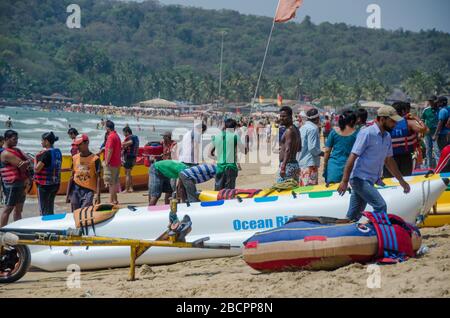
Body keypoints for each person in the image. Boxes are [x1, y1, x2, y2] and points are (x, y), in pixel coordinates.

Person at [337, 106, 411, 222]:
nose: (395, 124)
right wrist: (344, 181)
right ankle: (377, 233)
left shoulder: (387, 137)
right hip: (359, 179)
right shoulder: (367, 133)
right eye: (392, 121)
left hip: (369, 180)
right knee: (380, 206)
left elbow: (389, 161)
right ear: (382, 119)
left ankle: (343, 233)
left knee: (353, 216)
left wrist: (401, 181)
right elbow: (353, 156)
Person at [383, 102, 427, 178]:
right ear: (403, 111)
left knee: (389, 179)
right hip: (405, 157)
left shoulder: (385, 123)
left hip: (388, 157)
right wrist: (417, 118)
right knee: (405, 179)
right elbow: (425, 130)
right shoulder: (409, 123)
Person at [0, 130, 33, 227]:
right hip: (12, 184)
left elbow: (30, 161)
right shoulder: (5, 153)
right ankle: (1, 232)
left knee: (19, 210)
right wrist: (27, 162)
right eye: (14, 139)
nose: (16, 141)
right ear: (6, 139)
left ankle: (18, 229)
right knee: (8, 209)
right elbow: (23, 165)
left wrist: (27, 162)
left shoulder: (17, 150)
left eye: (17, 139)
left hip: (21, 183)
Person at [66, 134, 101, 211]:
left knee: (85, 211)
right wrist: (68, 194)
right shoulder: (75, 158)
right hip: (75, 189)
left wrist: (98, 195)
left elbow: (98, 177)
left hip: (88, 190)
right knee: (75, 212)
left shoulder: (95, 159)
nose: (78, 147)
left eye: (80, 144)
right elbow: (72, 176)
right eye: (76, 145)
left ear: (87, 143)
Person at [211, 119, 247, 190]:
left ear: (225, 126)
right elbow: (244, 151)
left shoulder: (216, 137)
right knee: (229, 193)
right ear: (234, 127)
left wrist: (219, 158)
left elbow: (210, 153)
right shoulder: (235, 137)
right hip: (230, 168)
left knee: (218, 192)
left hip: (219, 167)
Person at [323, 110, 358, 184]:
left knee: (333, 191)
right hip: (350, 168)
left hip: (334, 167)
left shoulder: (334, 132)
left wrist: (325, 165)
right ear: (352, 121)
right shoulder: (357, 134)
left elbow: (327, 151)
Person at [34, 132, 62, 216]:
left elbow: (37, 169)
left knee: (43, 210)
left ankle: (45, 227)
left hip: (44, 186)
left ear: (46, 141)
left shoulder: (45, 154)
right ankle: (51, 227)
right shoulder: (58, 152)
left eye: (42, 140)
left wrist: (35, 159)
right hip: (55, 184)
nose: (41, 142)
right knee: (50, 208)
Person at [276, 106, 301, 183]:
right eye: (280, 116)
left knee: (282, 191)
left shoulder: (288, 131)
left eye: (284, 116)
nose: (281, 118)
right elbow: (299, 148)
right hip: (294, 164)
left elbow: (288, 149)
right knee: (292, 191)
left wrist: (283, 167)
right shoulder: (296, 129)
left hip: (287, 166)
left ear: (290, 117)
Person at [298, 108, 322, 186]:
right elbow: (312, 148)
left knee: (302, 190)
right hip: (310, 164)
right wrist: (323, 153)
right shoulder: (313, 129)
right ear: (317, 118)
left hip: (302, 162)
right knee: (310, 190)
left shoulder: (303, 127)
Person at [103, 120, 121, 205]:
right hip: (117, 161)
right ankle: (115, 200)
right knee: (115, 181)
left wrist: (106, 161)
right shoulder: (116, 135)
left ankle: (111, 201)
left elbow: (110, 150)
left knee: (111, 183)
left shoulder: (111, 136)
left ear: (107, 128)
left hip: (112, 162)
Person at [421, 95, 440, 169]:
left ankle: (438, 167)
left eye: (432, 101)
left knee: (436, 150)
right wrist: (423, 128)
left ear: (436, 101)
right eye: (429, 101)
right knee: (428, 149)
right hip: (427, 133)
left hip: (436, 133)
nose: (430, 102)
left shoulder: (440, 110)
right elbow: (422, 120)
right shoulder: (426, 110)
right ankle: (429, 167)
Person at [121, 126, 139, 193]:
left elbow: (130, 142)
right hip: (133, 157)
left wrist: (121, 144)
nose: (123, 134)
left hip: (128, 157)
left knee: (127, 173)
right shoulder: (136, 137)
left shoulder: (131, 137)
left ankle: (126, 189)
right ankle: (131, 188)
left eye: (124, 133)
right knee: (128, 173)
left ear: (127, 132)